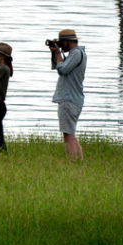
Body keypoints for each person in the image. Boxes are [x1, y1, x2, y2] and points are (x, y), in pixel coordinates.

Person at [49, 27, 86, 161]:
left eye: (61, 43)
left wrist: (58, 54)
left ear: (68, 42)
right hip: (73, 99)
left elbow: (62, 69)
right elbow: (57, 66)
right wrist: (55, 53)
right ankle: (79, 162)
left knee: (68, 136)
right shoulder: (76, 54)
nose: (60, 46)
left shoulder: (76, 54)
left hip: (69, 99)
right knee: (71, 134)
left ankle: (72, 162)